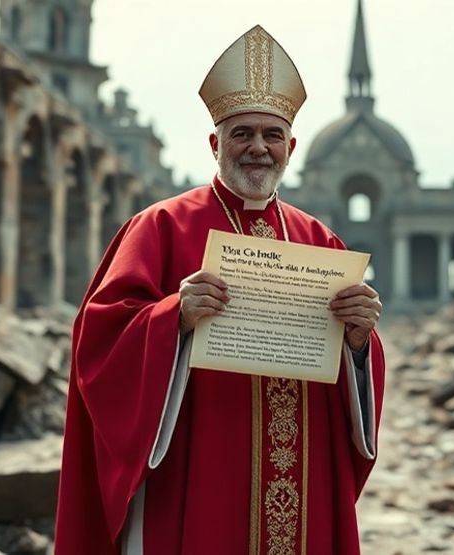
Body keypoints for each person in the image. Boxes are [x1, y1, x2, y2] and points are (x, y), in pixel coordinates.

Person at [54, 25, 385, 554]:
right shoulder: (160, 226)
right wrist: (171, 320)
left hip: (298, 473)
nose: (258, 148)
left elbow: (350, 367)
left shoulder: (318, 240)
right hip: (196, 468)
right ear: (215, 143)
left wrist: (359, 340)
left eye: (272, 135)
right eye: (242, 133)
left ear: (291, 147)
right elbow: (98, 341)